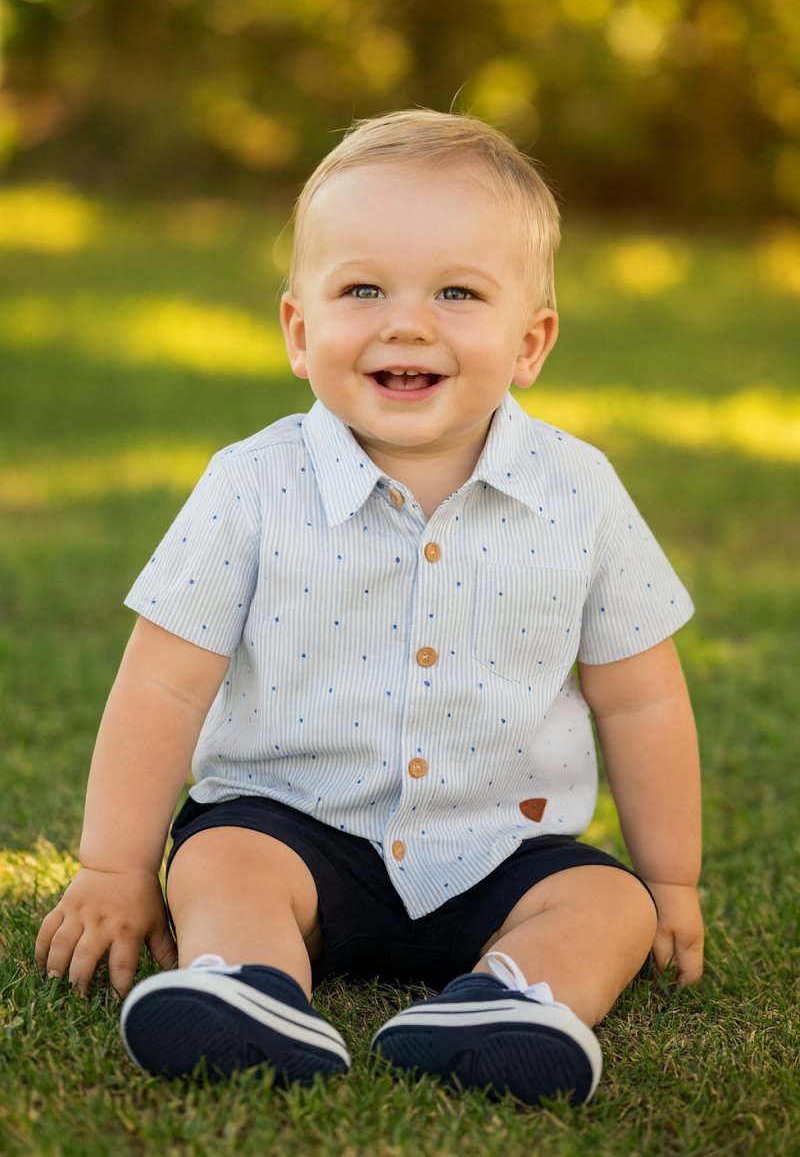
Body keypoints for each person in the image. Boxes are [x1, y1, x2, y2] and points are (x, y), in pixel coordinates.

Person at [35, 109, 704, 1107]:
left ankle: (513, 999)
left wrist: (672, 882)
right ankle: (246, 983)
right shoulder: (250, 485)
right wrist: (114, 865)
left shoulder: (580, 492)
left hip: (502, 848)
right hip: (294, 825)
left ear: (530, 342)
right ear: (299, 333)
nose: (406, 322)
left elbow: (640, 699)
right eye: (361, 289)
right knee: (221, 860)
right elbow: (164, 686)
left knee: (605, 902)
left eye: (455, 292)